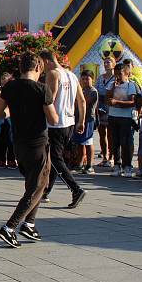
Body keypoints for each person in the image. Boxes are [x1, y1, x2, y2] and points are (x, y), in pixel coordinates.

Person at [0, 52, 59, 248]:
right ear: (38, 68)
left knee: (38, 183)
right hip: (37, 143)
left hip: (19, 143)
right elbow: (53, 119)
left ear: (21, 68)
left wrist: (15, 109)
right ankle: (10, 227)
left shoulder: (9, 87)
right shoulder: (42, 89)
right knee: (37, 186)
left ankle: (29, 223)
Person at [39, 51, 86, 207]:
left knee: (55, 159)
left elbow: (49, 99)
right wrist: (81, 121)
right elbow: (82, 100)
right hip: (69, 123)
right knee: (54, 158)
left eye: (41, 64)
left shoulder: (53, 74)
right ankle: (45, 192)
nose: (41, 68)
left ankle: (76, 189)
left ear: (46, 61)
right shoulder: (72, 75)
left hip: (55, 123)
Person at [106, 62, 141, 178]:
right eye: (116, 74)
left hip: (126, 117)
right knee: (115, 142)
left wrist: (117, 102)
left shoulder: (130, 85)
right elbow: (108, 98)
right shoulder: (112, 84)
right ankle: (117, 165)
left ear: (126, 74)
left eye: (120, 74)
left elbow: (132, 102)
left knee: (125, 142)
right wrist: (113, 89)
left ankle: (127, 166)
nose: (117, 77)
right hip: (113, 116)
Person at [71, 70, 98, 175]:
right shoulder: (81, 90)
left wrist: (77, 101)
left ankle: (90, 165)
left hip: (88, 120)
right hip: (78, 118)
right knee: (79, 142)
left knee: (88, 142)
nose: (85, 81)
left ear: (92, 79)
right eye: (83, 79)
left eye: (87, 79)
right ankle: (80, 164)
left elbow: (84, 102)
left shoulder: (93, 91)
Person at [95, 56, 115, 167]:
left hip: (110, 106)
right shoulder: (100, 78)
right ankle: (104, 157)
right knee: (101, 133)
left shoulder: (115, 78)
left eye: (109, 62)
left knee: (110, 134)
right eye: (105, 62)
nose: (106, 63)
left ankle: (111, 157)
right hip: (101, 105)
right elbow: (96, 91)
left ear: (114, 64)